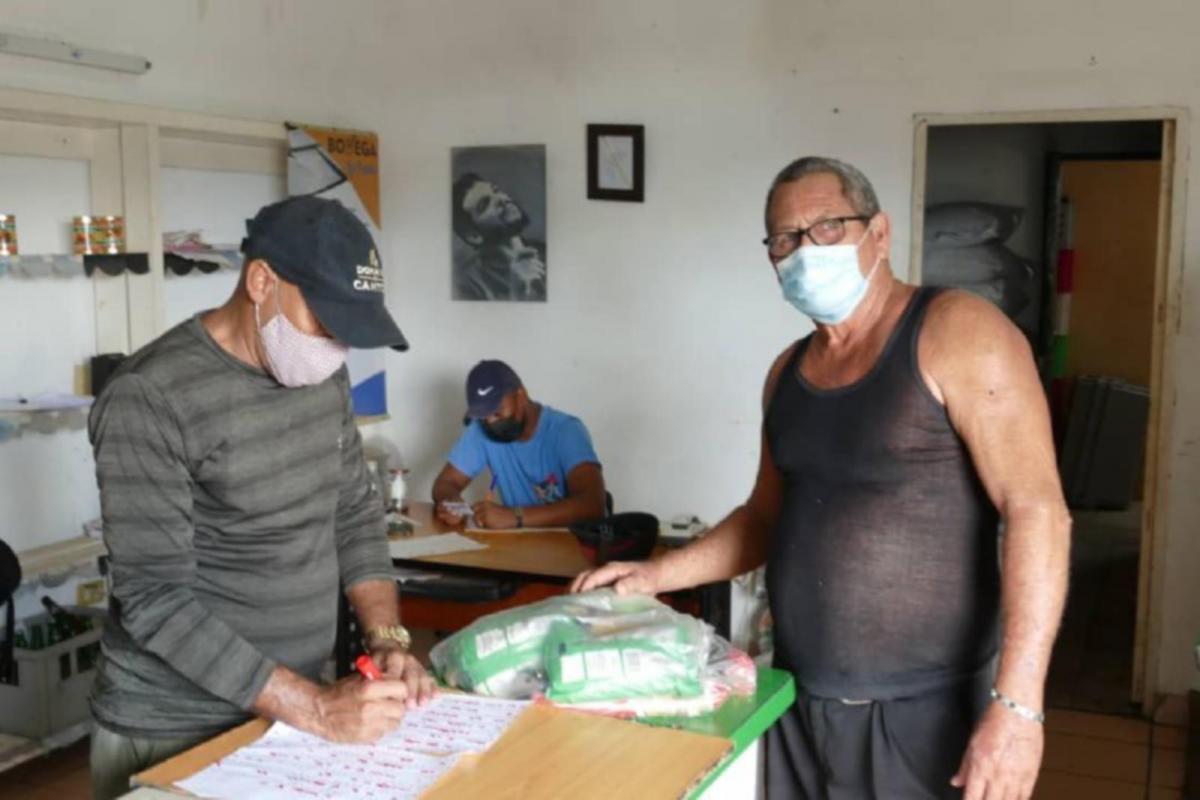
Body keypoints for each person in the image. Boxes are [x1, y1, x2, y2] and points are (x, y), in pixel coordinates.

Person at [573, 157, 1071, 800]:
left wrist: (1019, 707)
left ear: (879, 233)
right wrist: (654, 575)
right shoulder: (786, 374)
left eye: (828, 226)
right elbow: (762, 519)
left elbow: (1037, 511)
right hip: (798, 702)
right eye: (786, 238)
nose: (806, 250)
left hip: (923, 713)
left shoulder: (957, 332)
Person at [88, 196, 436, 800]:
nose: (335, 347)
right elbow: (154, 598)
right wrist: (315, 708)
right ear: (261, 282)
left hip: (292, 711)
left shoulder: (321, 373)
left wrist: (388, 640)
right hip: (176, 726)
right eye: (325, 321)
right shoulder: (150, 395)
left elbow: (354, 513)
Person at [432, 360, 605, 529]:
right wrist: (451, 502)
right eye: (483, 416)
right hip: (520, 543)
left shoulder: (566, 430)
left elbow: (592, 505)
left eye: (497, 413)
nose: (491, 422)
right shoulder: (482, 431)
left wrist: (515, 516)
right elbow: (447, 482)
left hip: (569, 543)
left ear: (521, 395)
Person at [451, 172, 547, 301]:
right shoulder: (467, 283)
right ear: (474, 236)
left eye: (496, 191)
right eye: (484, 204)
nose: (501, 198)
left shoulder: (546, 252)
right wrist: (519, 288)